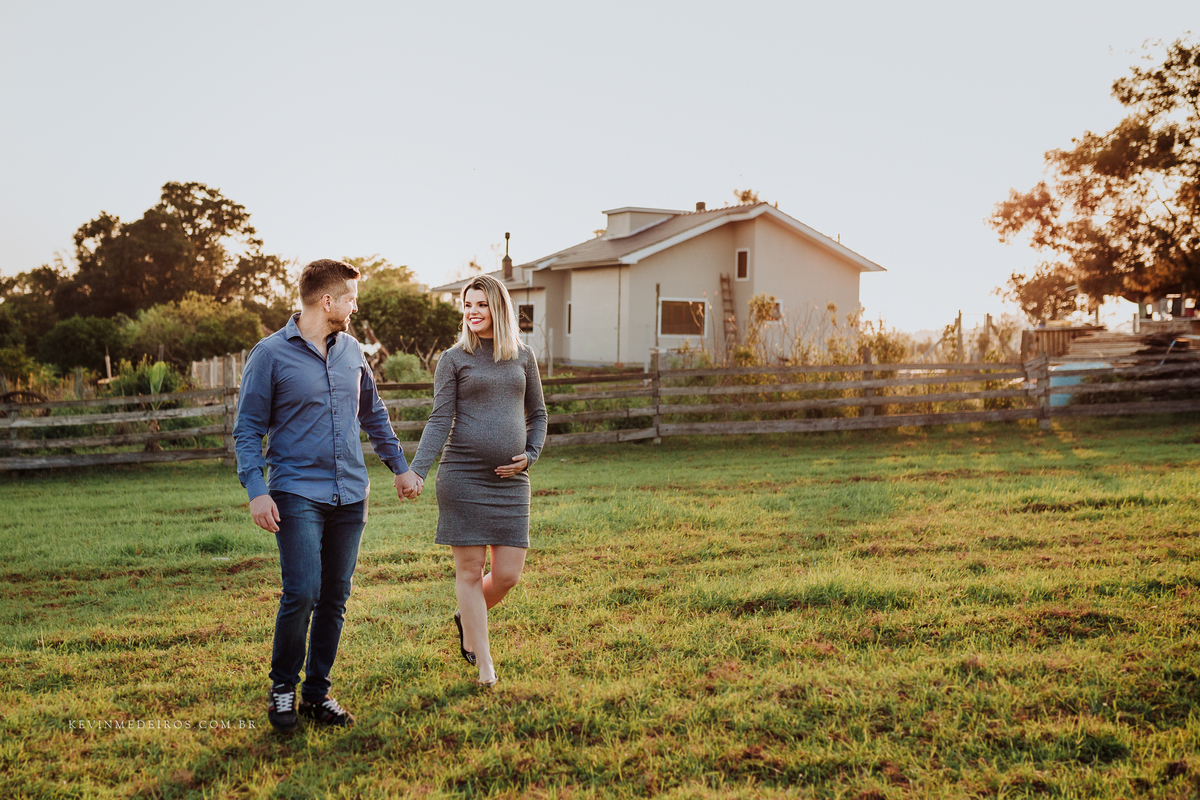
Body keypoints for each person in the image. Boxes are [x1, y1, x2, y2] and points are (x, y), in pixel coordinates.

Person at [233, 258, 422, 733]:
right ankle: (282, 690)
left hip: (350, 493)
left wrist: (399, 467)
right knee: (302, 592)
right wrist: (257, 491)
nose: (355, 307)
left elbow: (373, 414)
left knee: (335, 596)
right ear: (328, 301)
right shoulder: (270, 354)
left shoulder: (352, 350)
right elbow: (247, 431)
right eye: (352, 298)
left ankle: (317, 695)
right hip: (296, 491)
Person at [408, 274, 547, 687]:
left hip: (510, 482)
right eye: (467, 304)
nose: (472, 311)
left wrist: (531, 456)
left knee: (507, 575)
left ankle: (465, 614)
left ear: (498, 308)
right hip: (463, 476)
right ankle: (484, 662)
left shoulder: (523, 357)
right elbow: (439, 419)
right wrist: (417, 469)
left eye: (481, 304)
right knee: (469, 573)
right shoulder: (453, 359)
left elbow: (538, 414)